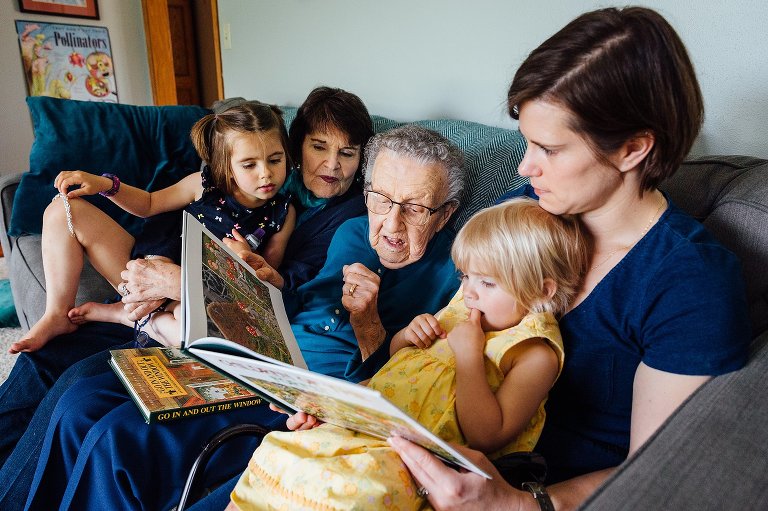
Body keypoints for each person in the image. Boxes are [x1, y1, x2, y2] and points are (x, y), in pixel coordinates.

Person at [389, 7, 751, 511]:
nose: (524, 166)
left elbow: (659, 472)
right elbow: (449, 338)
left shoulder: (688, 282)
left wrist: (518, 505)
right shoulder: (526, 213)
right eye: (526, 142)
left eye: (550, 149)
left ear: (632, 149)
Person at [23, 124, 467, 511]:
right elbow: (302, 304)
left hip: (298, 397)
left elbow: (400, 393)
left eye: (414, 208)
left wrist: (368, 322)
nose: (390, 224)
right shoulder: (352, 230)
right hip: (249, 353)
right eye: (381, 199)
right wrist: (264, 281)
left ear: (445, 213)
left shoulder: (456, 278)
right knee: (80, 404)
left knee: (117, 440)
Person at [0, 86, 373, 510]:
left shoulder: (344, 221)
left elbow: (277, 302)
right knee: (41, 360)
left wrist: (181, 282)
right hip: (152, 279)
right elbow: (156, 202)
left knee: (78, 388)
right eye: (318, 147)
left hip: (199, 322)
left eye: (348, 153)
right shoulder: (229, 177)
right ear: (296, 146)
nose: (331, 165)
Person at [227, 198, 588, 510]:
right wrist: (403, 339)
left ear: (542, 291)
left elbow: (487, 436)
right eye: (464, 276)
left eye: (487, 282)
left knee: (345, 487)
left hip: (419, 461)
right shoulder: (465, 306)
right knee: (277, 451)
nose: (469, 292)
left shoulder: (533, 351)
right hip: (371, 425)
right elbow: (399, 369)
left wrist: (468, 358)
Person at [9, 101, 296, 352]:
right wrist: (104, 185)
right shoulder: (203, 185)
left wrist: (246, 260)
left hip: (195, 300)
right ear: (225, 164)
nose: (266, 174)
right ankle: (58, 314)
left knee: (194, 329)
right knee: (62, 208)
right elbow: (148, 204)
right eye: (249, 165)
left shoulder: (283, 212)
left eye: (275, 160)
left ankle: (131, 316)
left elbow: (266, 285)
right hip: (142, 271)